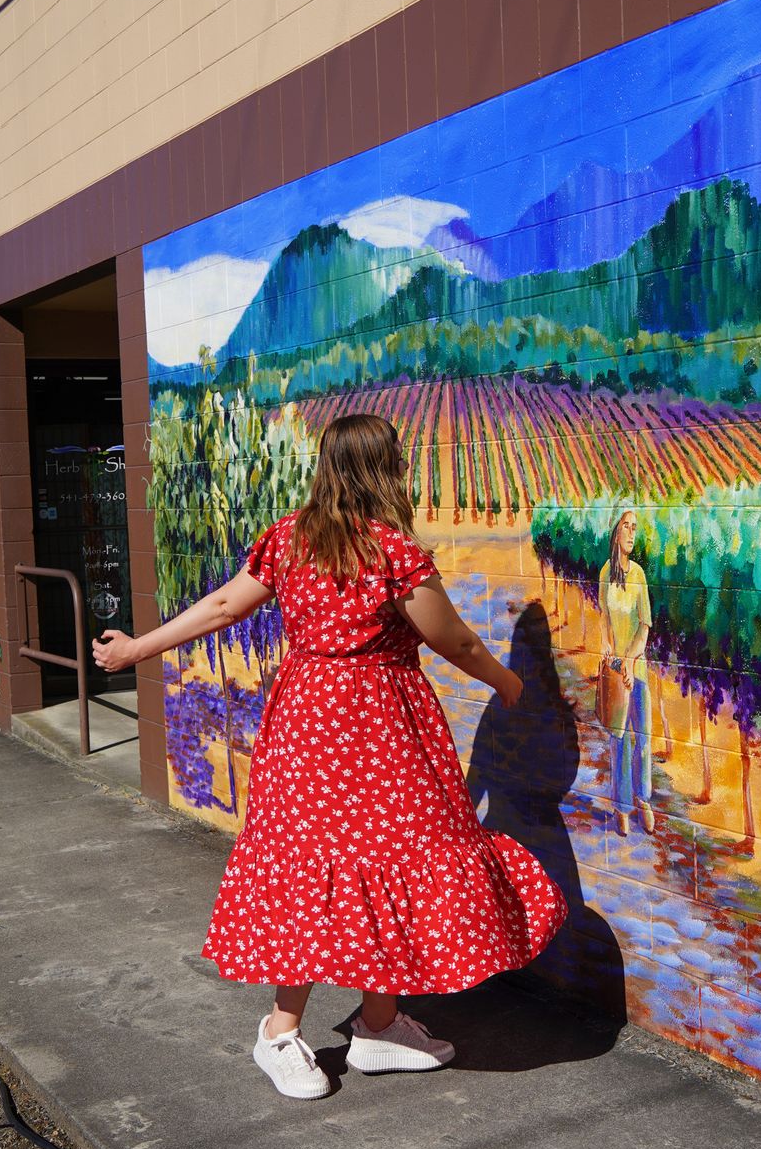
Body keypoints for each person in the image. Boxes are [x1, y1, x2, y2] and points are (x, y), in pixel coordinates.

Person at [92, 413, 567, 1099]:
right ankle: (279, 1032)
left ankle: (379, 1024)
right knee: (367, 857)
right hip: (379, 723)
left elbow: (226, 605)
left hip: (308, 724)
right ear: (386, 469)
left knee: (347, 860)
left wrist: (138, 647)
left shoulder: (289, 537)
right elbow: (452, 640)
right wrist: (509, 681)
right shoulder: (392, 551)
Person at [597, 508, 654, 837]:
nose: (632, 534)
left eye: (635, 528)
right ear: (615, 533)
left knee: (642, 738)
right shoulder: (607, 572)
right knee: (618, 739)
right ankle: (621, 806)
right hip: (616, 674)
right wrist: (605, 642)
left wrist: (631, 662)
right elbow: (604, 615)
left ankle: (643, 800)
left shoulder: (639, 576)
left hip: (638, 670)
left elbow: (644, 628)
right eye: (627, 527)